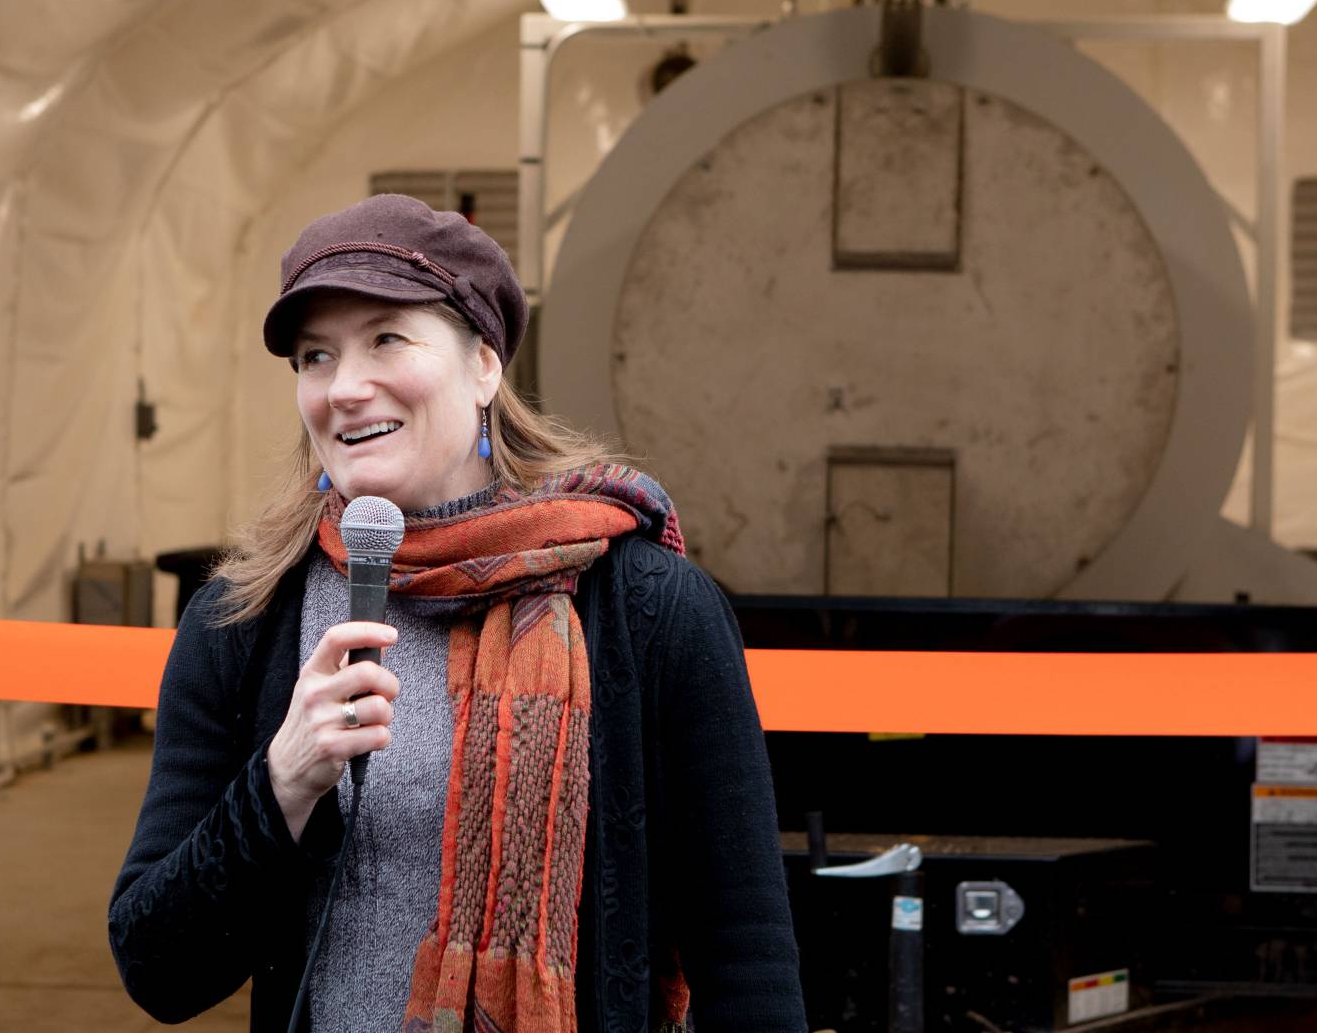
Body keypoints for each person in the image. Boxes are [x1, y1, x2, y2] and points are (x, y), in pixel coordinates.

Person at [109, 194, 803, 1032]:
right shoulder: (244, 618)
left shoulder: (648, 607)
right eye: (315, 356)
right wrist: (281, 783)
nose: (346, 387)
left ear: (484, 364)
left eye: (386, 339)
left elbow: (747, 954)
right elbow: (159, 971)